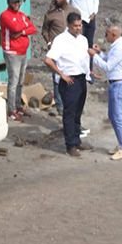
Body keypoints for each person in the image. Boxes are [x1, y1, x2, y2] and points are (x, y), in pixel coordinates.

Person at [43, 12, 91, 157]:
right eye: (75, 26)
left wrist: (89, 73)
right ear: (69, 25)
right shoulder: (61, 40)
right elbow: (48, 60)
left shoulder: (83, 39)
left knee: (78, 112)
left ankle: (77, 140)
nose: (78, 28)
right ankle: (70, 145)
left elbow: (84, 58)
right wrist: (61, 74)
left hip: (81, 78)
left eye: (80, 25)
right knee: (69, 113)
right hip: (69, 80)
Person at [89, 25, 122, 160]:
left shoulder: (119, 47)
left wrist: (94, 56)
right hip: (115, 83)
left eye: (107, 33)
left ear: (114, 35)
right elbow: (109, 59)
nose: (105, 36)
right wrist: (100, 53)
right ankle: (121, 144)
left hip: (119, 84)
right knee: (113, 115)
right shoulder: (116, 45)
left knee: (118, 116)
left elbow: (107, 66)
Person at [0, 0, 37, 121]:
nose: (17, 4)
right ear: (9, 3)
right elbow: (15, 28)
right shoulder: (5, 15)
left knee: (20, 81)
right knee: (13, 82)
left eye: (19, 2)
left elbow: (33, 29)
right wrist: (24, 27)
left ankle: (18, 105)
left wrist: (22, 32)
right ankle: (11, 110)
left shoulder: (21, 15)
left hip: (23, 52)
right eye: (15, 2)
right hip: (12, 53)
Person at [41, 0, 80, 115]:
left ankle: (73, 103)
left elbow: (80, 28)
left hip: (72, 50)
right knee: (57, 77)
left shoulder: (74, 12)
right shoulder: (50, 14)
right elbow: (44, 30)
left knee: (73, 75)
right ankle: (60, 105)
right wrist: (49, 43)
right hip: (56, 50)